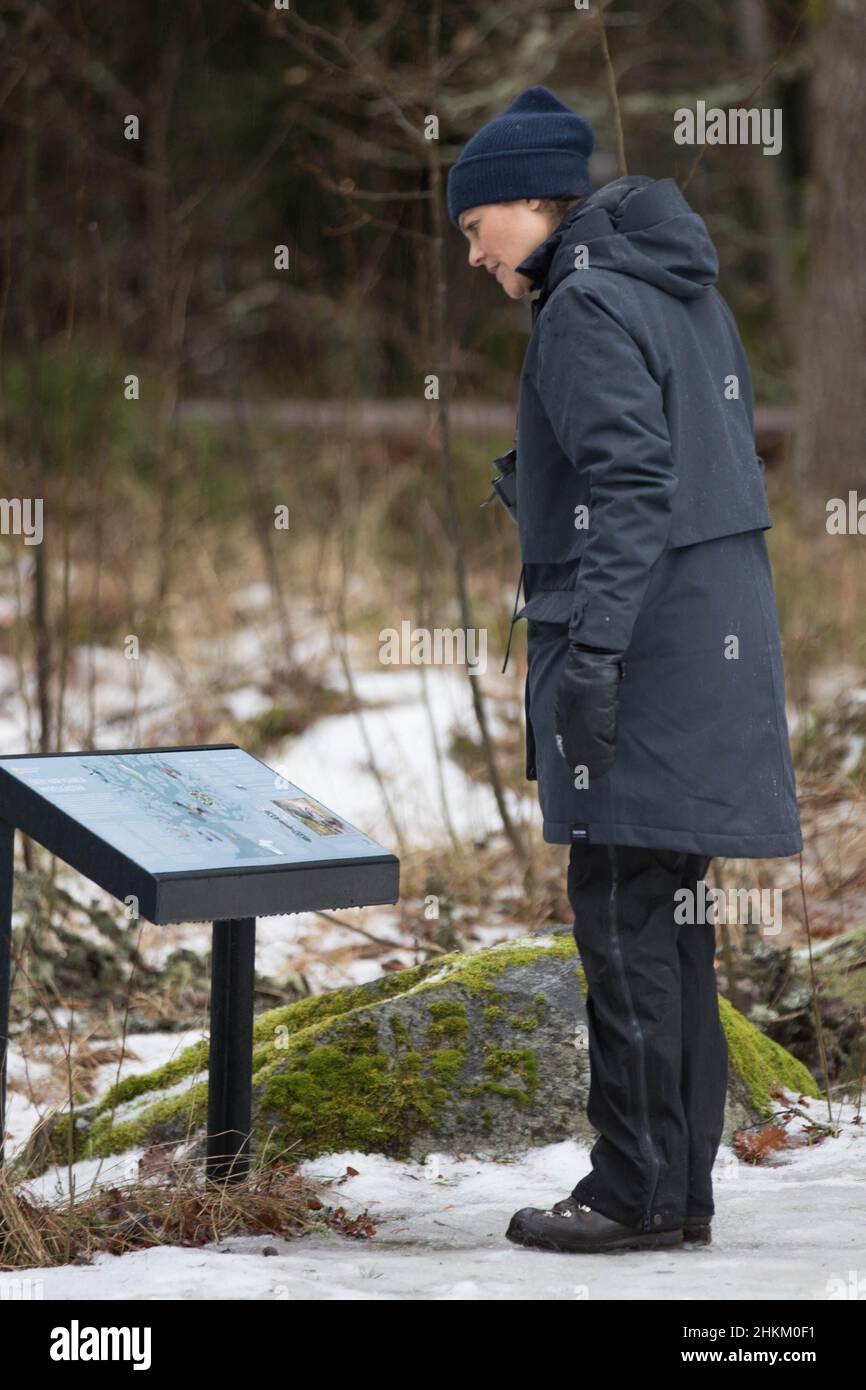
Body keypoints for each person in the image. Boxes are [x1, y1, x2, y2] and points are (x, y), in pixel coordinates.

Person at [447, 86, 803, 1254]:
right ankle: (673, 1189)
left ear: (529, 203)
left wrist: (592, 656)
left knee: (618, 913)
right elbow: (669, 466)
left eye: (475, 226)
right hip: (700, 642)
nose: (472, 253)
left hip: (641, 656)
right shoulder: (670, 284)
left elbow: (634, 486)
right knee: (667, 918)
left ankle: (630, 1192)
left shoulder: (585, 302)